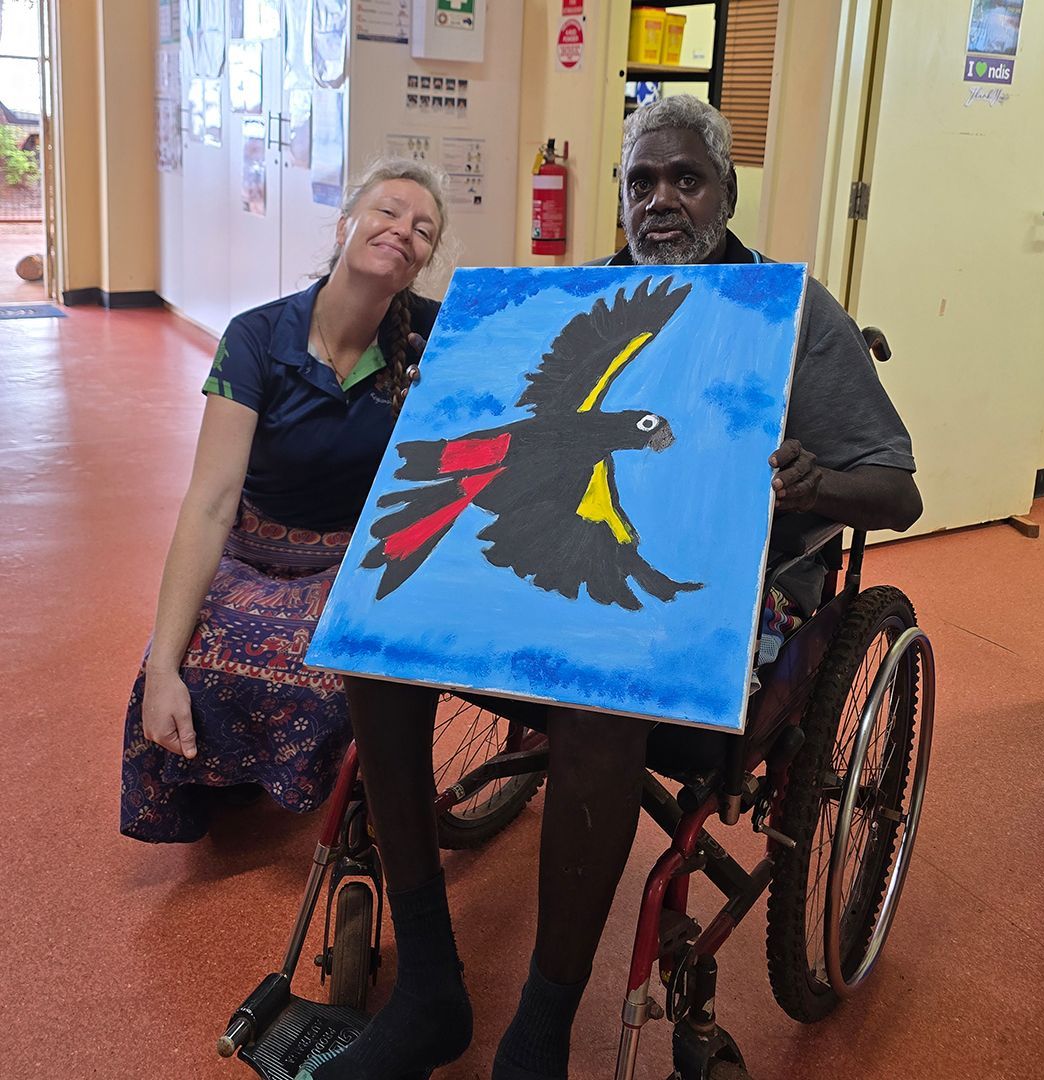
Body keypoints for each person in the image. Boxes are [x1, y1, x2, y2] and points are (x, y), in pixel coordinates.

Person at [298, 96, 922, 1080]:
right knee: (373, 653)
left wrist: (816, 480)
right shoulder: (571, 298)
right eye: (642, 181)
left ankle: (540, 1030)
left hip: (721, 603)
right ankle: (428, 988)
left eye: (686, 179)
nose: (661, 200)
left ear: (726, 190)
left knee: (598, 689)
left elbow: (900, 490)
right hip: (561, 564)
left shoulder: (789, 313)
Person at [119, 159, 446, 843]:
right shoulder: (257, 336)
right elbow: (210, 505)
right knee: (182, 665)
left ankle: (333, 801)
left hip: (356, 556)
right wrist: (160, 665)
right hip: (253, 551)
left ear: (422, 264)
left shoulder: (433, 338)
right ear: (344, 224)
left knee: (330, 672)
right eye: (388, 211)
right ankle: (225, 783)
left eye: (423, 230)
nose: (402, 231)